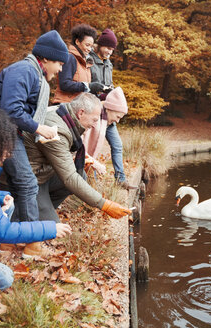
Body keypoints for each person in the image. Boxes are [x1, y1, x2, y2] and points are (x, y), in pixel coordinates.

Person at [0, 30, 69, 258]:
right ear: (47, 58)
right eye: (59, 63)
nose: (60, 69)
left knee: (15, 184)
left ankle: (7, 242)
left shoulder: (34, 74)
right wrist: (39, 128)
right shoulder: (24, 70)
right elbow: (11, 110)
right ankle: (32, 244)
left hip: (6, 131)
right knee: (28, 183)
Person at [0, 105, 72, 294]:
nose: (8, 154)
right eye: (4, 147)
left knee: (8, 205)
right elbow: (4, 231)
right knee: (4, 278)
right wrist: (49, 228)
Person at [23, 92, 131, 222]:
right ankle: (32, 215)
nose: (95, 125)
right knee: (52, 227)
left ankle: (41, 211)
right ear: (81, 113)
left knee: (81, 176)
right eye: (94, 120)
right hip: (31, 180)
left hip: (43, 172)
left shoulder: (64, 115)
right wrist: (104, 204)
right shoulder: (57, 129)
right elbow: (69, 177)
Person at [84, 28, 137, 190]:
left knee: (117, 145)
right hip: (93, 111)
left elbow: (111, 86)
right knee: (91, 147)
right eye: (107, 48)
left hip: (108, 111)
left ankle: (120, 179)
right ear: (100, 45)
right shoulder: (89, 60)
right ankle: (91, 182)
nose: (109, 52)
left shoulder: (109, 64)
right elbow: (86, 85)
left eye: (112, 49)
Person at [53, 23, 102, 104]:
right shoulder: (70, 58)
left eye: (91, 46)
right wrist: (88, 86)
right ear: (77, 41)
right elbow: (64, 84)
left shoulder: (86, 62)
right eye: (87, 45)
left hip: (77, 106)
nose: (89, 49)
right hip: (65, 105)